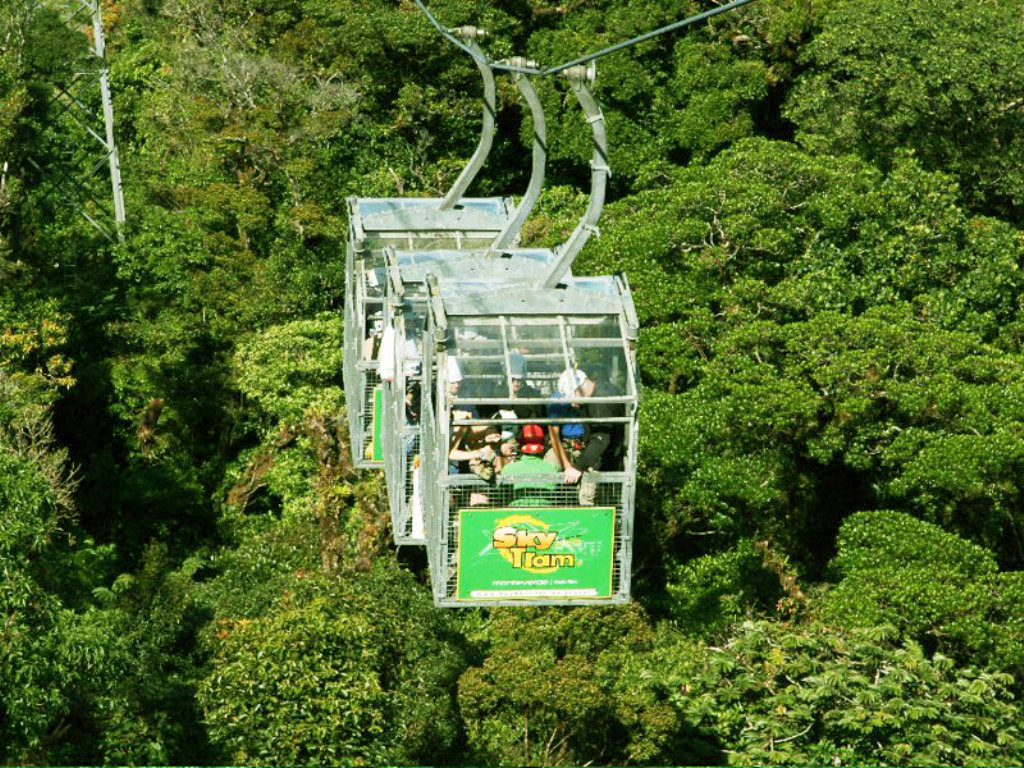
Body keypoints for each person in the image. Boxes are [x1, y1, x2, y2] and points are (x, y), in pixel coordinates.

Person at [546, 367, 618, 505]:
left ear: (577, 390)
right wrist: (569, 466)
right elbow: (553, 435)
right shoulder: (592, 398)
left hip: (601, 453)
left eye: (572, 399)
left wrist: (578, 467)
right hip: (589, 450)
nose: (573, 405)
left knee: (588, 492)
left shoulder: (601, 401)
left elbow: (601, 438)